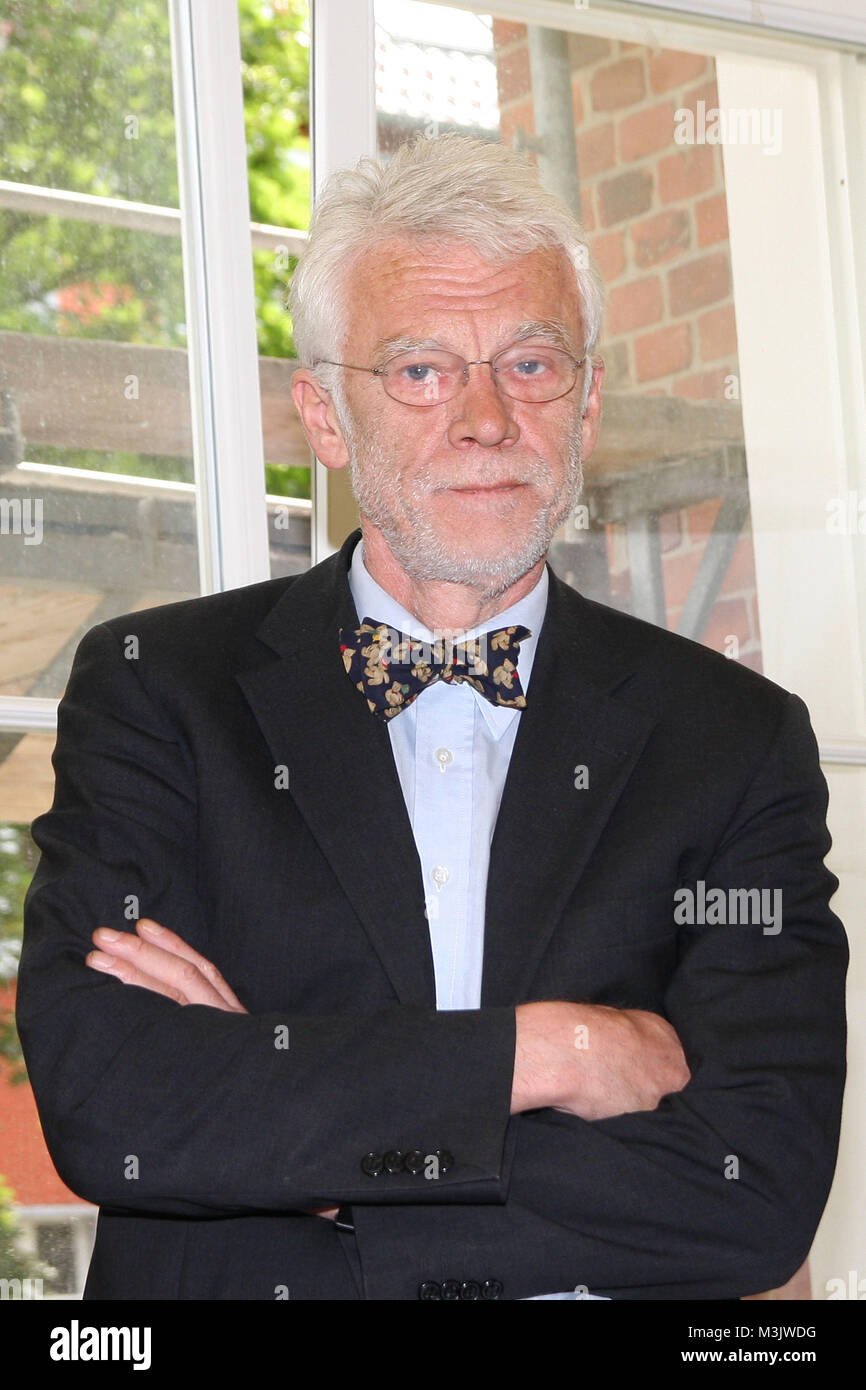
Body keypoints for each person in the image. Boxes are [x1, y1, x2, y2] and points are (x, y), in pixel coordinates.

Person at [17, 133, 847, 1301]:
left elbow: (752, 1194)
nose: (484, 419)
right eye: (418, 371)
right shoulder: (159, 688)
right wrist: (553, 1051)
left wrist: (308, 1146)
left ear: (588, 400)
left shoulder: (733, 739)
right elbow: (116, 1106)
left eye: (530, 364)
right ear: (322, 416)